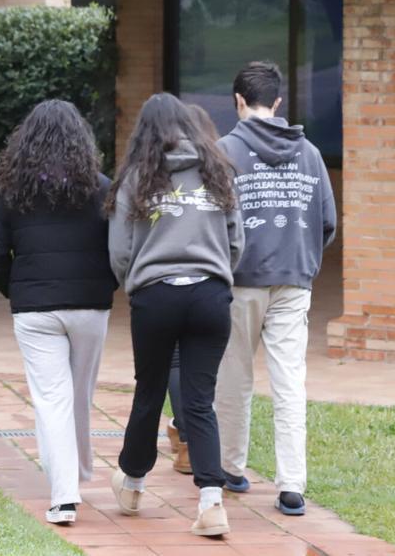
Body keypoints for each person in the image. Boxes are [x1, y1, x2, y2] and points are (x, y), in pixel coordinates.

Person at [106, 92, 243, 538]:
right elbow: (236, 241)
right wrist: (217, 275)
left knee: (148, 394)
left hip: (156, 298)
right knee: (200, 402)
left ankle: (132, 485)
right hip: (210, 297)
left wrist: (139, 283)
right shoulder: (218, 171)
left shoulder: (135, 178)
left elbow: (121, 251)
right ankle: (211, 505)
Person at [0, 99, 119, 526]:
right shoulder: (101, 187)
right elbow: (121, 249)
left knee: (51, 400)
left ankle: (64, 495)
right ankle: (73, 474)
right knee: (78, 396)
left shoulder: (12, 191)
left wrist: (17, 291)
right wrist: (106, 285)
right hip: (91, 309)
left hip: (35, 311)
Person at [214, 61, 337, 517]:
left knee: (235, 376)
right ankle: (291, 486)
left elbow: (216, 223)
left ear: (239, 101)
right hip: (294, 281)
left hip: (241, 283)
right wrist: (301, 258)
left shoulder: (224, 152)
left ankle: (231, 467)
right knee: (290, 383)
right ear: (278, 103)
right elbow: (327, 222)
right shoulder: (310, 153)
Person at [164, 104, 224, 477]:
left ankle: (183, 439)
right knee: (203, 377)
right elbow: (235, 235)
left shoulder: (153, 173)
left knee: (172, 362)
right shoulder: (219, 174)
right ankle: (204, 467)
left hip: (164, 284)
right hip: (210, 286)